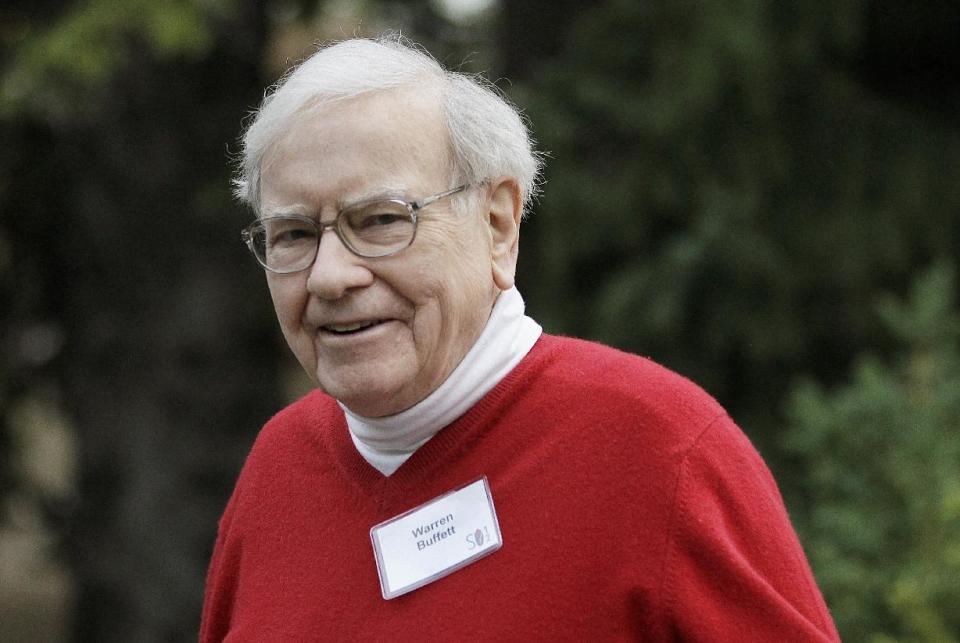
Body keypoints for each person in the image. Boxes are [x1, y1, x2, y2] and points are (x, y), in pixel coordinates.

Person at [200, 36, 840, 642]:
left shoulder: (658, 449)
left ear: (499, 225)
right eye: (293, 235)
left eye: (381, 221)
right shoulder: (277, 472)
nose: (331, 276)